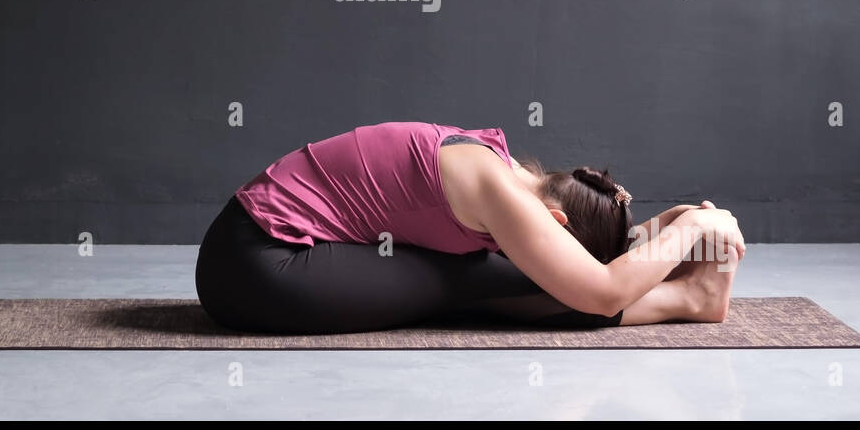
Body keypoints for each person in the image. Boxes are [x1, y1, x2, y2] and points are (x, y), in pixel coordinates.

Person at [195, 121, 744, 334]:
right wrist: (694, 225)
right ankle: (688, 299)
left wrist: (649, 236)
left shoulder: (501, 167)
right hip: (257, 266)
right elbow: (600, 294)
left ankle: (687, 294)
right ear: (555, 220)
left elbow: (582, 271)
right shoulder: (498, 193)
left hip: (249, 250)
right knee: (475, 279)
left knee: (482, 276)